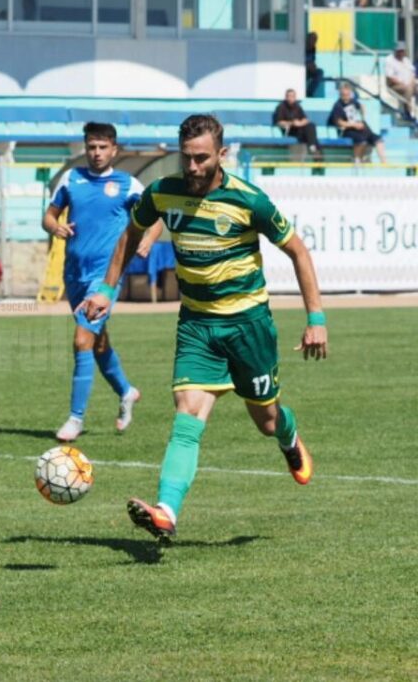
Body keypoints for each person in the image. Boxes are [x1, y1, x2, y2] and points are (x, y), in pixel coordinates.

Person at [79, 114, 328, 543]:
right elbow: (130, 233)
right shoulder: (162, 193)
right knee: (187, 413)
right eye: (186, 159)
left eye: (201, 159)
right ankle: (166, 511)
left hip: (249, 325)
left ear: (221, 155)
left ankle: (289, 438)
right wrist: (106, 288)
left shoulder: (250, 200)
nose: (192, 168)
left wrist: (316, 320)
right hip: (197, 324)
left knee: (266, 420)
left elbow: (298, 252)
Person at [42, 122, 155, 441]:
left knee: (81, 340)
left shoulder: (128, 184)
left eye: (103, 147)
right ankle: (126, 391)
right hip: (74, 273)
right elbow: (48, 216)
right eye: (91, 147)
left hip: (105, 278)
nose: (96, 153)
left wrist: (147, 239)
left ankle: (75, 419)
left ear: (114, 150)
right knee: (98, 341)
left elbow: (155, 217)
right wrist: (55, 228)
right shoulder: (71, 179)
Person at [328, 83, 388, 163]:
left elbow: (361, 106)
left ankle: (384, 162)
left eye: (348, 95)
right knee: (361, 140)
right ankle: (357, 160)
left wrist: (362, 115)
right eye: (344, 95)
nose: (346, 97)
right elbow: (339, 122)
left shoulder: (352, 101)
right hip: (348, 130)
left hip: (360, 128)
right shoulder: (338, 106)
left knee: (378, 140)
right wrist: (354, 125)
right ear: (340, 94)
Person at [273, 89, 324, 160]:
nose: (291, 98)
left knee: (311, 125)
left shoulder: (297, 106)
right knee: (310, 134)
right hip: (290, 130)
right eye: (289, 96)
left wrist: (299, 123)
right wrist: (292, 123)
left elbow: (305, 119)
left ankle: (313, 148)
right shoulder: (281, 107)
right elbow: (279, 122)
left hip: (300, 129)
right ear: (286, 97)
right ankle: (314, 150)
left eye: (292, 96)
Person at [384, 41, 415, 117]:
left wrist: (411, 82)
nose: (401, 53)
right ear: (396, 51)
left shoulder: (406, 60)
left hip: (408, 84)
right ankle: (407, 112)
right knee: (408, 89)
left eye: (403, 51)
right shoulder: (389, 60)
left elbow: (412, 73)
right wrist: (403, 84)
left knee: (412, 87)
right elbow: (390, 77)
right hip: (395, 85)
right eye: (400, 51)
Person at [305, 32, 324, 98]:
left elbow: (312, 60)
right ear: (307, 39)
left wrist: (314, 66)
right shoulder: (301, 47)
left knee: (320, 72)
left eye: (315, 40)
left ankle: (309, 93)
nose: (313, 42)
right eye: (312, 39)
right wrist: (307, 65)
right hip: (301, 70)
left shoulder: (313, 48)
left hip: (310, 70)